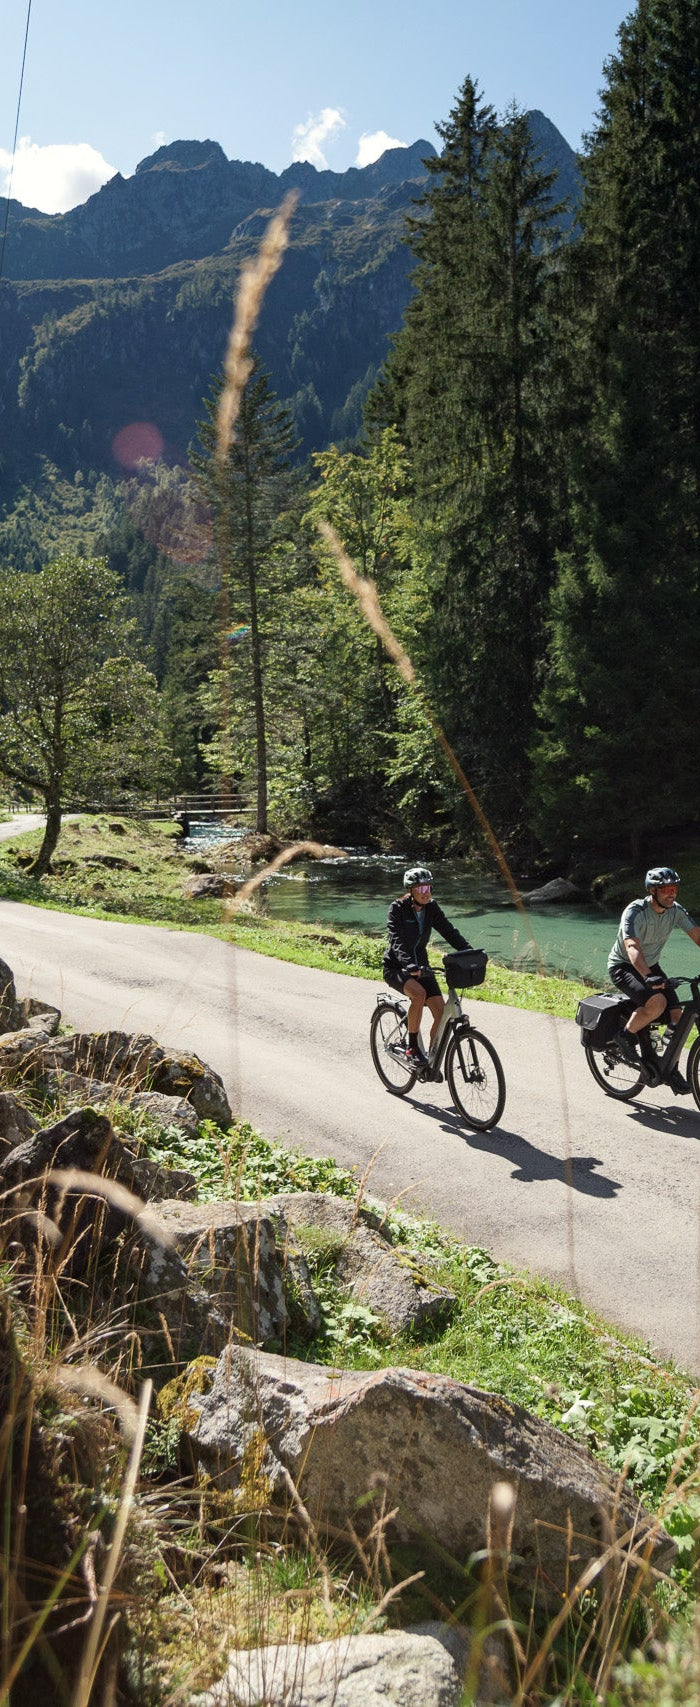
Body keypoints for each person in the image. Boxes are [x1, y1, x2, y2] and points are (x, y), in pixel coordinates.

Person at [607, 866, 700, 1090]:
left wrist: (650, 973)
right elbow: (632, 946)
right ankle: (625, 1035)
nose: (672, 893)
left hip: (651, 966)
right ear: (653, 891)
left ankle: (669, 1067)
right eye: (666, 888)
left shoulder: (675, 911)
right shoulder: (635, 911)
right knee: (657, 1002)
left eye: (674, 888)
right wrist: (648, 976)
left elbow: (697, 935)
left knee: (677, 1014)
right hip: (624, 965)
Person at [383, 865, 472, 1066]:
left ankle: (431, 1059)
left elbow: (449, 931)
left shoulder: (431, 907)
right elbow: (396, 939)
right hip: (397, 967)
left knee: (441, 1015)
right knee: (419, 995)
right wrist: (409, 964)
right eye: (421, 889)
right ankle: (412, 1047)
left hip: (422, 967)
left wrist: (468, 951)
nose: (426, 893)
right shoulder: (397, 909)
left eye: (429, 888)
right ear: (411, 890)